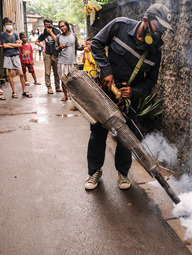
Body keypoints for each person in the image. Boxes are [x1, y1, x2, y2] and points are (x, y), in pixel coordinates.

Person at [84, 3, 173, 190]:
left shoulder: (156, 50)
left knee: (126, 138)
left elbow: (151, 81)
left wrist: (134, 92)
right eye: (159, 27)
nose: (160, 33)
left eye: (164, 30)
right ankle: (94, 172)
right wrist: (106, 71)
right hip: (106, 91)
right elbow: (97, 44)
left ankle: (123, 173)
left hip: (128, 100)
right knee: (98, 134)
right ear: (146, 20)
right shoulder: (119, 25)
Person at [0, 18, 32, 98]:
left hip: (16, 55)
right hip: (7, 56)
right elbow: (5, 46)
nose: (9, 26)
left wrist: (8, 44)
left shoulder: (15, 35)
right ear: (4, 26)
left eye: (10, 24)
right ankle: (14, 91)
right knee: (10, 74)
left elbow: (19, 45)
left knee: (21, 73)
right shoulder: (2, 34)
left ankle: (24, 90)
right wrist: (13, 44)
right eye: (7, 24)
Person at [55, 20, 83, 101]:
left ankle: (73, 96)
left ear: (67, 26)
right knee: (63, 79)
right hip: (62, 62)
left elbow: (77, 46)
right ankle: (65, 95)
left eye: (63, 26)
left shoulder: (73, 36)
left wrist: (84, 47)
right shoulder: (58, 37)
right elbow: (56, 49)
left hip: (72, 61)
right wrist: (60, 47)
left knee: (73, 80)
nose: (62, 28)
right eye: (60, 27)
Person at [35, 19, 62, 94]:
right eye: (46, 25)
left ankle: (57, 87)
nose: (47, 26)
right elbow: (36, 41)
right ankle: (49, 87)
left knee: (56, 72)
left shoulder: (56, 31)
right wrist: (43, 46)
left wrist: (50, 32)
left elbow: (58, 41)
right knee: (47, 72)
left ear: (52, 25)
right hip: (47, 54)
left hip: (55, 54)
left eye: (49, 24)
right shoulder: (44, 33)